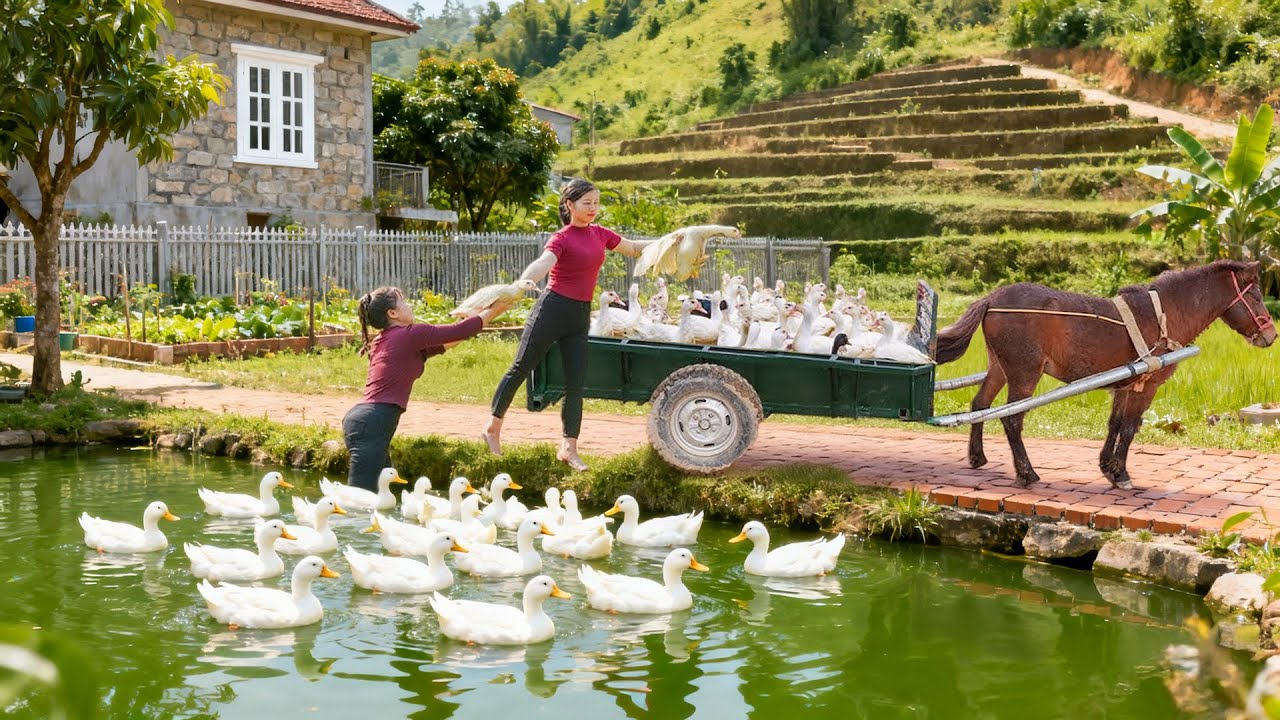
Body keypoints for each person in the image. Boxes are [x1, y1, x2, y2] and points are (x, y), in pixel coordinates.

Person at [482, 179, 651, 472]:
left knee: (576, 383)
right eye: (587, 203)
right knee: (520, 367)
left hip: (579, 315)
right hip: (552, 310)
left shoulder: (600, 234)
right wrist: (524, 281)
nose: (593, 208)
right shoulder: (561, 238)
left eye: (596, 203)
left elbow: (634, 248)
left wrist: (672, 241)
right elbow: (543, 262)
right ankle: (492, 429)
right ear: (570, 205)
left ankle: (568, 448)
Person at [344, 286, 505, 491]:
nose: (409, 305)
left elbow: (449, 341)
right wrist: (500, 305)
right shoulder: (408, 335)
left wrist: (479, 311)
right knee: (360, 498)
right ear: (392, 313)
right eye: (403, 302)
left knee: (380, 497)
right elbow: (463, 331)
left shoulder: (392, 339)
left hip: (369, 422)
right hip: (372, 424)